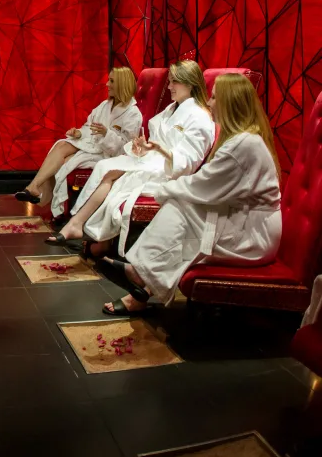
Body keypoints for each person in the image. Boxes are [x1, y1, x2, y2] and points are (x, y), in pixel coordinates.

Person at [99, 74, 281, 315]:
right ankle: (142, 283)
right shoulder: (241, 139)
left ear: (229, 103)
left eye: (215, 97)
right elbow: (207, 184)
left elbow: (202, 184)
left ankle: (141, 275)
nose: (210, 103)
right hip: (242, 222)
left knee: (178, 205)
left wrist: (165, 191)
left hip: (252, 236)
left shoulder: (244, 145)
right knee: (181, 209)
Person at [47, 60, 215, 256]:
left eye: (174, 82)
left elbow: (187, 163)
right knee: (106, 166)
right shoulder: (172, 109)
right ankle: (84, 229)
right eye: (169, 81)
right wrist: (142, 148)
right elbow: (156, 141)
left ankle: (82, 227)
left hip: (170, 172)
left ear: (190, 83)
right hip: (153, 160)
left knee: (111, 172)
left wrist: (158, 150)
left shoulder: (199, 117)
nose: (169, 87)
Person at [15, 67, 142, 221]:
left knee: (65, 161)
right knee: (61, 145)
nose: (107, 84)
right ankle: (33, 187)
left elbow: (126, 149)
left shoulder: (133, 114)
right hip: (93, 145)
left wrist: (106, 134)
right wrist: (79, 133)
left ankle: (52, 203)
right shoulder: (104, 106)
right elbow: (89, 127)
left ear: (122, 84)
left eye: (112, 81)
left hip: (107, 155)